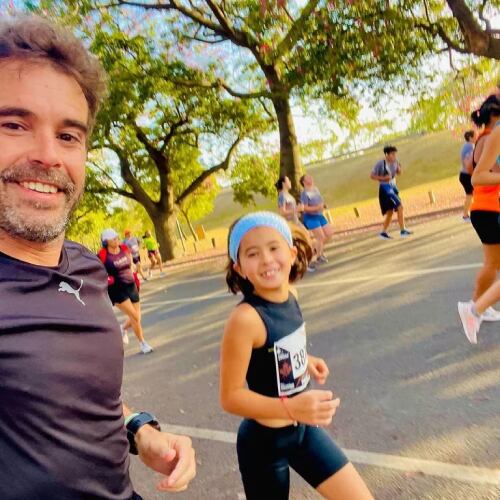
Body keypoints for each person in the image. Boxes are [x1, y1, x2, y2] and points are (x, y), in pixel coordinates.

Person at [0, 15, 195, 499]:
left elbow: (83, 402)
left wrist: (140, 431)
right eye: (14, 124)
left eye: (69, 135)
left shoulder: (85, 266)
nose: (48, 155)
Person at [220, 211, 373, 500]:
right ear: (240, 268)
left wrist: (306, 359)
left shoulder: (291, 295)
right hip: (263, 445)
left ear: (291, 254)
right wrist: (291, 408)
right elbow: (230, 397)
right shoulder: (245, 319)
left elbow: (279, 346)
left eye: (274, 248)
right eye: (253, 253)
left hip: (303, 432)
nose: (266, 259)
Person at [458, 100, 500, 343]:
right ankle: (475, 308)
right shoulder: (488, 138)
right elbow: (478, 174)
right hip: (489, 207)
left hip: (487, 207)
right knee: (491, 264)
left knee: (492, 264)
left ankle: (477, 307)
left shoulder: (483, 138)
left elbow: (468, 168)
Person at [99, 228, 153, 354]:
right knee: (134, 316)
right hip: (117, 290)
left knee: (137, 316)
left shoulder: (124, 248)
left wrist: (135, 272)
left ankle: (123, 328)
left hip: (131, 285)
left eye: (117, 237)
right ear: (106, 241)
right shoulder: (102, 255)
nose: (117, 239)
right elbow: (96, 272)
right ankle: (143, 343)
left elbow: (131, 263)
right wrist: (105, 279)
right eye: (113, 238)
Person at [370, 145, 412, 240]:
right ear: (386, 154)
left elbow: (398, 173)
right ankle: (403, 230)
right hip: (385, 188)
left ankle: (383, 233)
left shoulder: (395, 162)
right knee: (400, 206)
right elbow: (372, 175)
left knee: (390, 212)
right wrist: (383, 178)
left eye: (395, 154)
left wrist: (399, 169)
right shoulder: (380, 164)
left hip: (393, 187)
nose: (394, 156)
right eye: (392, 154)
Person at [276, 175, 316, 272]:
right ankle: (303, 265)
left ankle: (304, 263)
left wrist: (297, 211)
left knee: (307, 238)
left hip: (296, 222)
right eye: (288, 180)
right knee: (302, 242)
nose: (290, 181)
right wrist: (296, 209)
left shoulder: (288, 195)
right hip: (290, 225)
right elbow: (282, 212)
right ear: (283, 183)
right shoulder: (281, 196)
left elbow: (291, 210)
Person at [299, 173, 334, 263]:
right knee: (320, 237)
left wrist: (323, 205)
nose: (311, 178)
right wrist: (316, 208)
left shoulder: (315, 189)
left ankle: (315, 248)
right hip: (310, 217)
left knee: (329, 234)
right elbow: (304, 208)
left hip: (319, 215)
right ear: (304, 182)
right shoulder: (304, 193)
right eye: (308, 178)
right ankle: (319, 256)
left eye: (311, 176)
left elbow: (319, 202)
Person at [459, 130, 475, 222]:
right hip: (466, 175)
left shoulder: (466, 146)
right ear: (470, 137)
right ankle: (465, 216)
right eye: (474, 136)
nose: (476, 137)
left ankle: (467, 214)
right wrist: (473, 174)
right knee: (470, 195)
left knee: (470, 195)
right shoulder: (470, 146)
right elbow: (467, 163)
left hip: (464, 174)